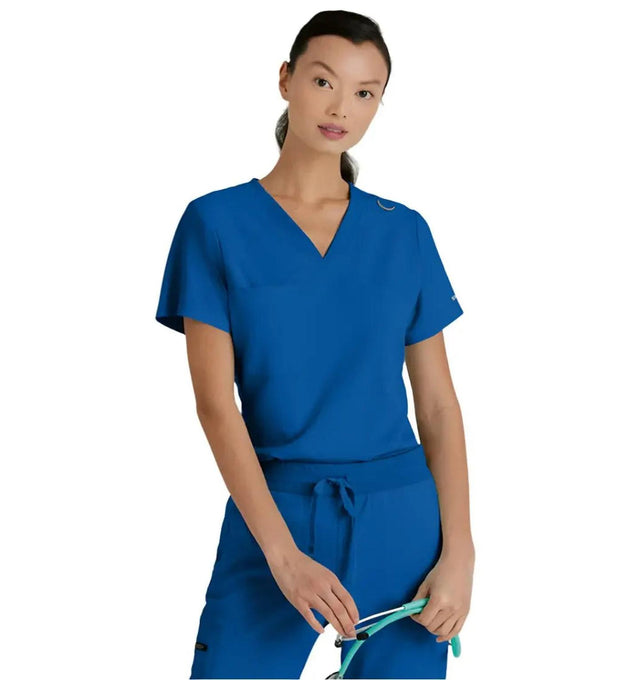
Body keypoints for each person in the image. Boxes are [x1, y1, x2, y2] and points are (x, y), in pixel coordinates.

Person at [155, 10, 474, 680]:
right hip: (275, 515)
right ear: (286, 80)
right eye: (324, 81)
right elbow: (215, 405)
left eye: (365, 92)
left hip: (403, 520)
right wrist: (282, 555)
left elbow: (439, 406)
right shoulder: (216, 223)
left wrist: (460, 554)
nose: (341, 108)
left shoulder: (404, 232)